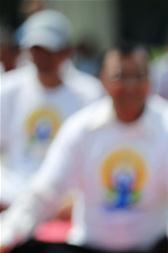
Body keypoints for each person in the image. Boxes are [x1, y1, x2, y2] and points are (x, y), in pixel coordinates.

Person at [0, 43, 168, 253]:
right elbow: (46, 190)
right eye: (121, 76)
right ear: (103, 80)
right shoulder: (81, 128)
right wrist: (7, 235)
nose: (130, 86)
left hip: (151, 250)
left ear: (150, 81)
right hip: (89, 250)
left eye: (138, 76)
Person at [0, 10, 103, 208]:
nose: (41, 57)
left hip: (67, 195)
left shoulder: (89, 93)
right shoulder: (7, 89)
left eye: (49, 50)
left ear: (66, 51)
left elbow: (93, 156)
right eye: (36, 49)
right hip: (12, 190)